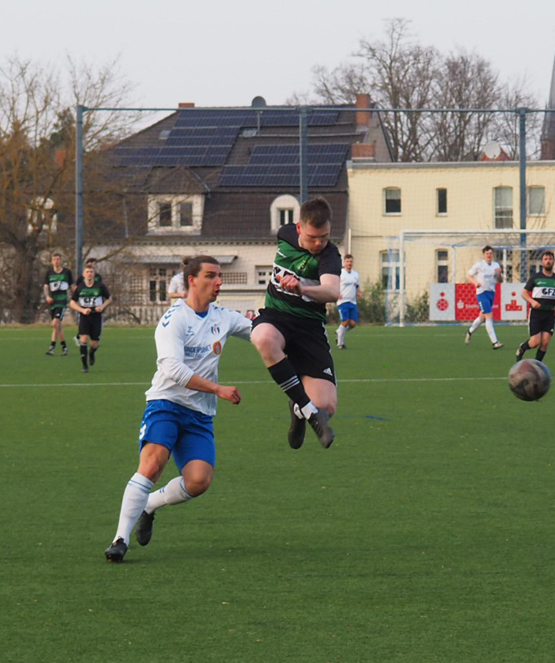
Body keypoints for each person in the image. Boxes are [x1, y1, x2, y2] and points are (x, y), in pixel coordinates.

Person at [104, 256, 253, 562]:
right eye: (211, 276)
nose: (218, 282)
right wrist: (218, 389)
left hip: (200, 414)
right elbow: (173, 369)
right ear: (192, 280)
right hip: (166, 403)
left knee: (199, 481)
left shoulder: (224, 317)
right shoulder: (173, 320)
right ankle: (120, 539)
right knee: (153, 464)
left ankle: (149, 505)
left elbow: (259, 332)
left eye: (219, 276)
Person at [251, 197, 341, 450]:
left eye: (324, 237)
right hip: (276, 316)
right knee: (263, 337)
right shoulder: (285, 234)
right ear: (299, 228)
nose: (318, 243)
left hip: (309, 328)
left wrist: (303, 288)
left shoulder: (329, 256)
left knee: (327, 407)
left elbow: (332, 292)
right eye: (313, 237)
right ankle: (307, 408)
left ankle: (299, 408)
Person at [514, 251, 555, 363]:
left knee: (545, 342)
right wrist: (532, 302)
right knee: (535, 342)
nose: (548, 261)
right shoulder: (536, 278)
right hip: (536, 313)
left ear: (554, 261)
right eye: (545, 259)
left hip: (549, 314)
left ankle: (537, 364)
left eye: (550, 259)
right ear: (542, 262)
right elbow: (524, 293)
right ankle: (522, 347)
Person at [69, 263, 111, 373]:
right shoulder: (80, 288)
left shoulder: (100, 286)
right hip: (84, 316)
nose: (89, 274)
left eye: (91, 272)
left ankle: (91, 353)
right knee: (83, 339)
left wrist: (102, 306)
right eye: (87, 272)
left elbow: (109, 299)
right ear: (83, 274)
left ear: (94, 274)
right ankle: (84, 366)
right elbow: (72, 303)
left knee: (94, 344)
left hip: (96, 316)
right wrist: (82, 310)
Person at [464, 245, 504, 349]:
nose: (489, 255)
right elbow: (469, 275)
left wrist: (499, 274)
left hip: (491, 293)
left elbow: (500, 281)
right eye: (487, 254)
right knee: (489, 316)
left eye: (490, 253)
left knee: (482, 317)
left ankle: (469, 331)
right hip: (482, 293)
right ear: (484, 255)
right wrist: (475, 283)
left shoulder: (496, 265)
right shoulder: (479, 265)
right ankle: (495, 342)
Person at [43, 252, 73, 356]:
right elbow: (46, 287)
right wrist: (47, 296)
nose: (56, 261)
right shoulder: (49, 273)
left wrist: (75, 298)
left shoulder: (67, 272)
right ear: (52, 261)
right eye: (54, 259)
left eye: (58, 259)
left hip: (62, 301)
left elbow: (72, 286)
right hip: (53, 302)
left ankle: (53, 347)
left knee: (55, 323)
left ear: (61, 261)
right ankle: (63, 348)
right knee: (58, 326)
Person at [335, 254, 362, 349]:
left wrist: (359, 293)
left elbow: (357, 286)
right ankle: (340, 343)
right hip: (342, 301)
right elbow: (335, 284)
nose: (349, 263)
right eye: (347, 261)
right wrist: (337, 293)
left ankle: (339, 331)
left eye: (351, 261)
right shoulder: (340, 273)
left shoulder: (356, 274)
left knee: (353, 324)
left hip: (352, 301)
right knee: (345, 321)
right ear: (344, 262)